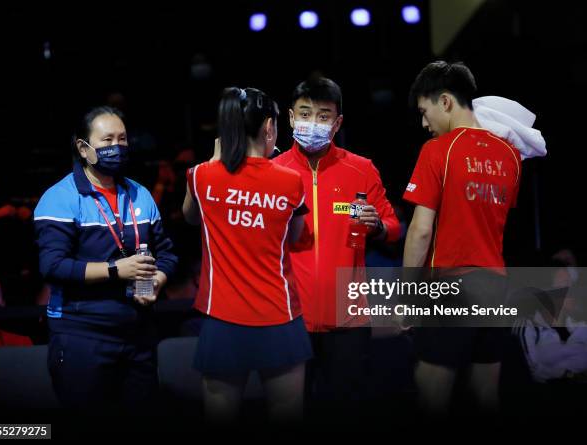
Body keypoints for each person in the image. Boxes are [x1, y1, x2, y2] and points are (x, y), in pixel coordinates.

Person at [33, 106, 177, 413]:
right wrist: (116, 270)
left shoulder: (141, 195)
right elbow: (53, 267)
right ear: (84, 149)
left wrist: (158, 280)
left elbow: (166, 253)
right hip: (82, 336)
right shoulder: (60, 197)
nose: (118, 147)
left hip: (138, 334)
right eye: (108, 139)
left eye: (123, 139)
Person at [182, 87, 312, 423]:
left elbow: (191, 217)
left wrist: (214, 166)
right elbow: (296, 237)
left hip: (222, 321)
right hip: (280, 319)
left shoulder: (199, 175)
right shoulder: (291, 181)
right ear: (269, 127)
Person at [402, 61, 522, 415]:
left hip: (452, 286)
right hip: (497, 288)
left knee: (431, 397)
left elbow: (421, 230)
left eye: (425, 112)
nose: (424, 124)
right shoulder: (512, 156)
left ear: (446, 102)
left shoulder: (438, 150)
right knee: (486, 398)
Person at [272, 77, 400, 404]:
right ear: (289, 118)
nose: (312, 123)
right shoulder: (272, 172)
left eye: (323, 116)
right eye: (305, 114)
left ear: (338, 122)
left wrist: (378, 226)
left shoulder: (361, 169)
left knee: (346, 409)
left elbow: (393, 225)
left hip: (349, 315)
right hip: (289, 316)